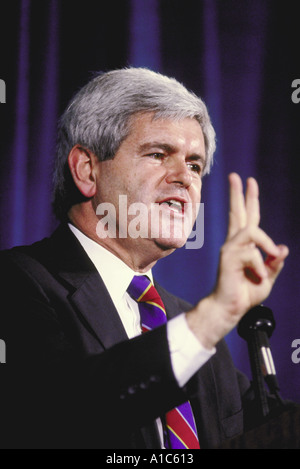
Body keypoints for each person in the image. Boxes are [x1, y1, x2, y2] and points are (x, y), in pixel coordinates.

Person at [0, 68, 289, 449]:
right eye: (158, 154)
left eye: (195, 164)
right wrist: (213, 318)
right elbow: (62, 415)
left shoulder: (199, 335)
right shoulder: (17, 283)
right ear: (87, 170)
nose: (184, 178)